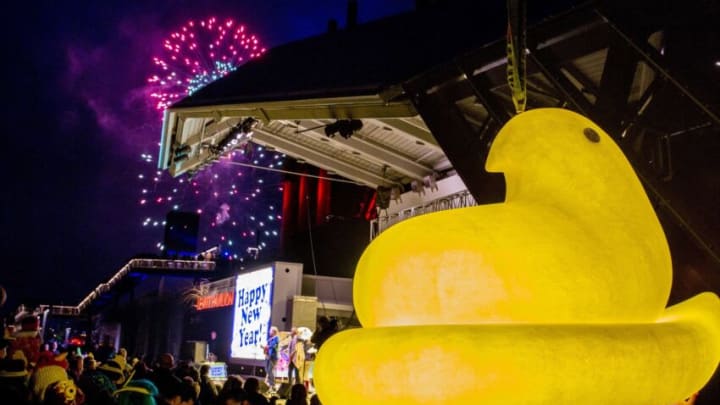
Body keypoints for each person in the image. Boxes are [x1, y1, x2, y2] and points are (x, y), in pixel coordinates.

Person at [263, 327, 279, 393]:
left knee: (269, 370)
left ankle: (272, 384)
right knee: (266, 369)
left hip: (273, 357)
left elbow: (273, 345)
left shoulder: (276, 338)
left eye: (271, 331)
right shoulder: (269, 339)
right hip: (268, 356)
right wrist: (265, 348)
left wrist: (267, 347)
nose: (269, 332)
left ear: (274, 332)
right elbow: (267, 346)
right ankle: (270, 384)